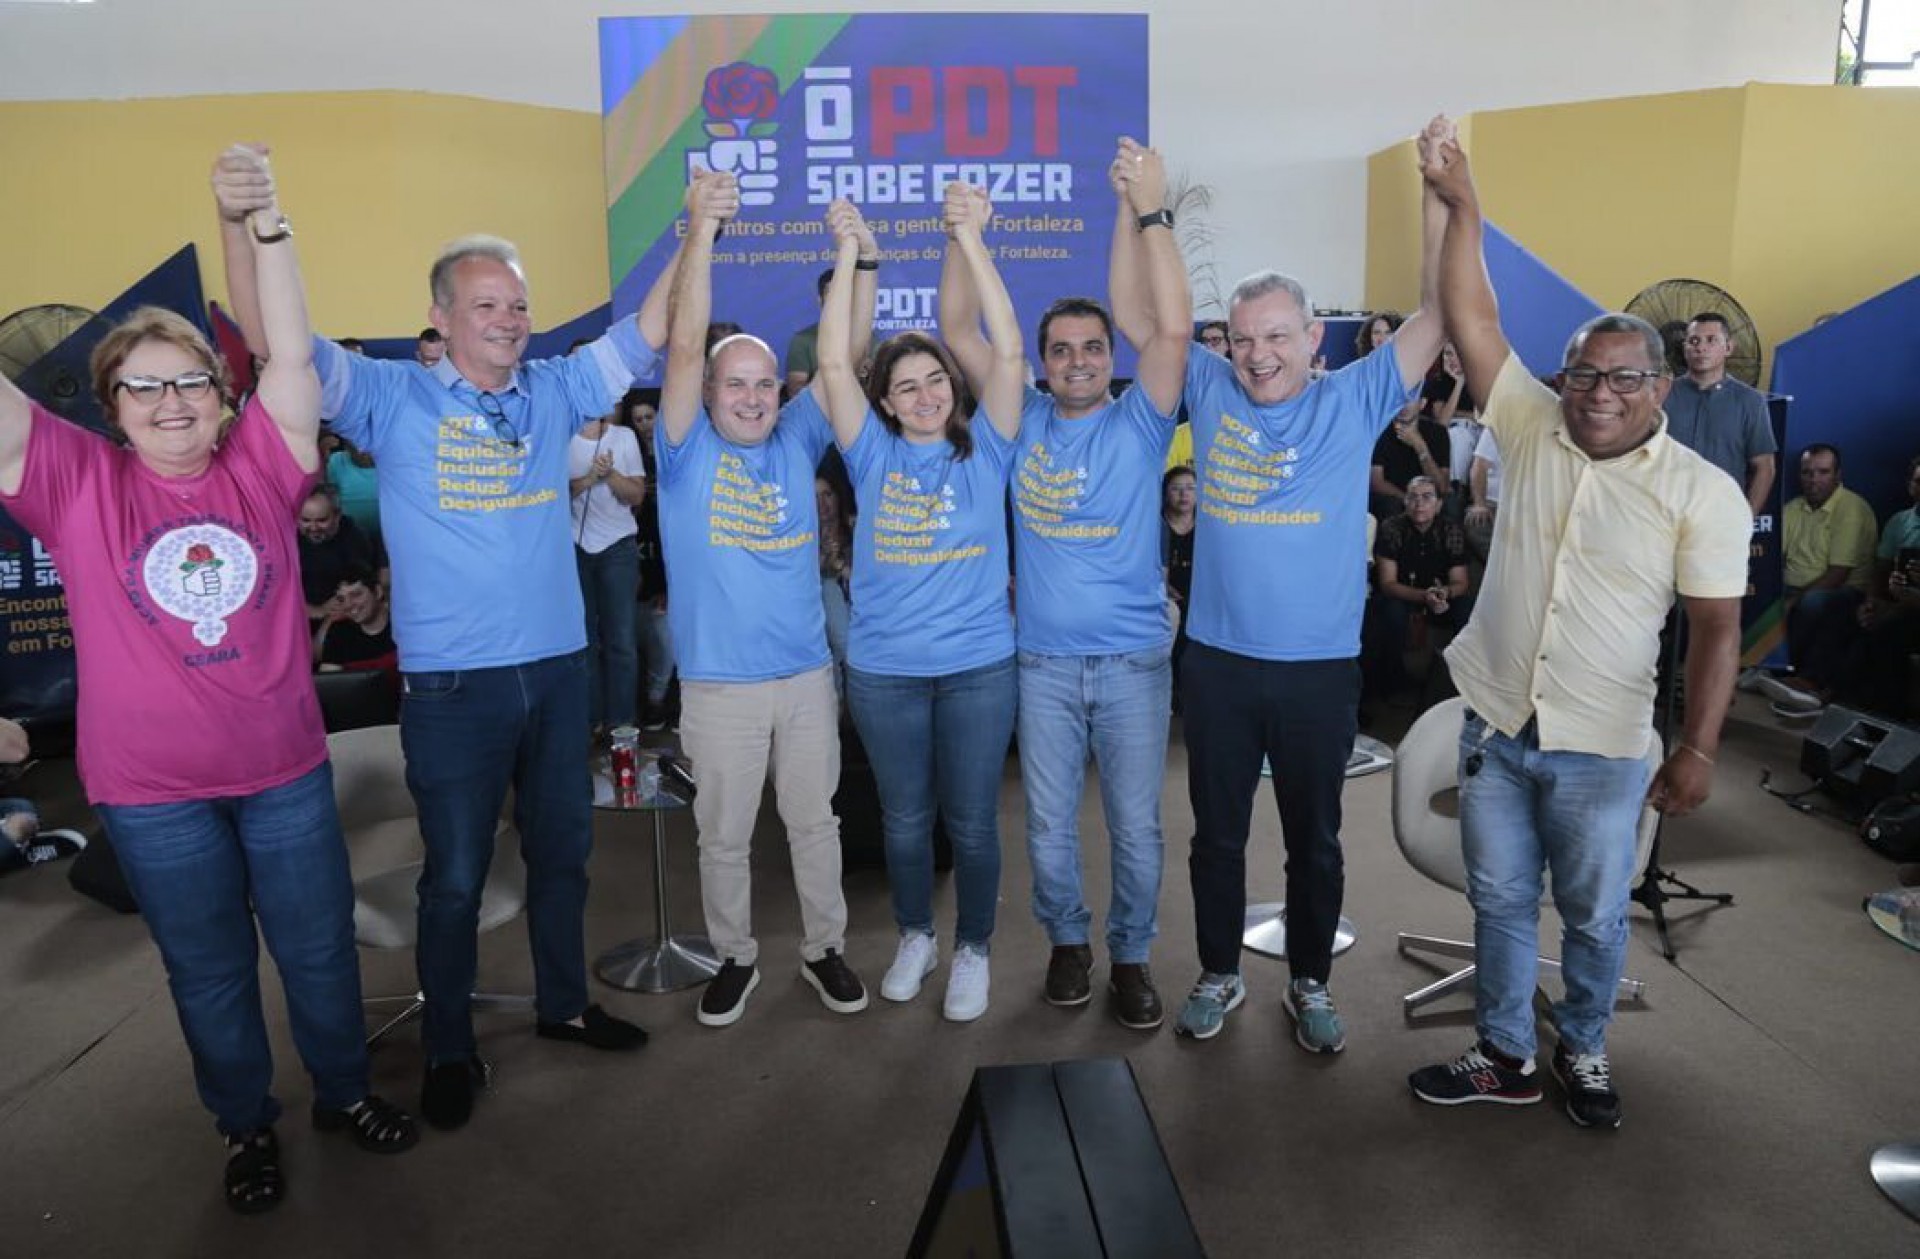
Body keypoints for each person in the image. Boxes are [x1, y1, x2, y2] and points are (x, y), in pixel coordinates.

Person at [0, 145, 417, 1214]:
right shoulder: (72, 479)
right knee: (211, 970)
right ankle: (245, 1124)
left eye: (189, 380)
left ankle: (342, 1089)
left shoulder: (261, 461)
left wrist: (267, 222)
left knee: (320, 950)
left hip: (280, 770)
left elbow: (290, 354)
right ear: (110, 403)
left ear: (219, 396)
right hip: (149, 791)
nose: (171, 400)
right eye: (143, 385)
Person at [215, 148, 658, 1134]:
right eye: (489, 304)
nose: (509, 319)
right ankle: (452, 1047)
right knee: (454, 873)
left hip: (555, 666)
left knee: (565, 855)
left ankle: (565, 1004)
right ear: (444, 316)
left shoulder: (551, 389)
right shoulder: (387, 395)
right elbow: (267, 336)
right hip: (455, 687)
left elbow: (653, 328)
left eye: (518, 303)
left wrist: (702, 226)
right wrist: (241, 222)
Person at [1405, 120, 1750, 1130]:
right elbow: (1472, 310)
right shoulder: (1530, 423)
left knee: (1595, 915)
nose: (1597, 395)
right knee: (1501, 903)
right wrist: (1466, 204)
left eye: (1622, 378)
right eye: (1583, 375)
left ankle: (1584, 1045)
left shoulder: (1703, 492)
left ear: (1660, 387)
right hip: (1497, 726)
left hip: (1603, 747)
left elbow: (1719, 632)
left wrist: (1696, 747)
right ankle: (1509, 1051)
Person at [1172, 121, 1449, 1052]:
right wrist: (1150, 218)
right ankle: (1218, 971)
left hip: (1319, 670)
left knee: (1315, 842)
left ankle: (1310, 983)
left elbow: (1439, 312)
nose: (1257, 354)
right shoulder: (1207, 389)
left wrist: (1435, 193)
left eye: (1277, 335)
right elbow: (1161, 323)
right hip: (1217, 664)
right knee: (1216, 838)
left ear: (1312, 335)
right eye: (1242, 338)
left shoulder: (1355, 396)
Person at [940, 137, 1190, 1029]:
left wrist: (1143, 209)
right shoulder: (1019, 417)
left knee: (1137, 828)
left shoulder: (1141, 418)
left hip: (1130, 664)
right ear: (1041, 360)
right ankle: (1069, 944)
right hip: (1041, 662)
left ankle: (1129, 955)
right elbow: (959, 329)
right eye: (1062, 348)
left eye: (1091, 347)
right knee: (1046, 830)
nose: (1079, 359)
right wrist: (963, 233)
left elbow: (1171, 329)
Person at [656, 175, 878, 1028]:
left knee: (814, 823)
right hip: (719, 686)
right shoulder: (681, 453)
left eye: (760, 384)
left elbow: (845, 354)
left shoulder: (797, 432)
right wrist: (703, 232)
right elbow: (681, 346)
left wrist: (856, 253)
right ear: (708, 395)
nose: (750, 397)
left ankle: (824, 950)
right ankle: (736, 958)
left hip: (803, 677)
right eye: (732, 384)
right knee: (722, 838)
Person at [815, 180, 1023, 1023]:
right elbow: (834, 364)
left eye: (935, 380)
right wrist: (846, 255)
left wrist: (970, 237)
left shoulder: (990, 451)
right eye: (906, 386)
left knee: (971, 822)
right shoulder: (868, 456)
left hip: (978, 668)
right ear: (886, 402)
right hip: (886, 673)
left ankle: (971, 946)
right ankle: (914, 935)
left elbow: (1008, 356)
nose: (926, 394)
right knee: (904, 822)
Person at [569, 402, 648, 734]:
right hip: (574, 549)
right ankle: (590, 721)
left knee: (622, 642)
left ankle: (622, 725)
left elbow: (637, 496)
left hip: (617, 548)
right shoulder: (561, 436)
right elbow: (554, 494)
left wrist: (611, 474)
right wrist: (589, 478)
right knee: (582, 642)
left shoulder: (624, 437)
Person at [1368, 475, 1473, 700]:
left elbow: (1461, 583)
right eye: (1413, 497)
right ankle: (1393, 682)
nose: (1419, 503)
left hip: (1441, 595)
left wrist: (1445, 593)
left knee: (1468, 608)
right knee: (1389, 610)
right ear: (1405, 502)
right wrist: (1424, 596)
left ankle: (1460, 681)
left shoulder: (1450, 530)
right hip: (1405, 594)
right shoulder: (1391, 528)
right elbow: (1388, 584)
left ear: (1439, 504)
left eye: (1427, 497)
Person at [1664, 312, 1776, 515]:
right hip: (1666, 514)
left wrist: (1746, 520)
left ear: (1729, 347)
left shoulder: (1750, 401)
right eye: (1693, 341)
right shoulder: (1661, 395)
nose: (1701, 347)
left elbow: (1764, 467)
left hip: (1722, 517)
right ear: (1684, 348)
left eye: (1711, 340)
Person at [296, 482, 386, 621]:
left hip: (342, 616)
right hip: (297, 613)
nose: (313, 528)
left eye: (322, 520)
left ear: (337, 515)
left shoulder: (355, 539)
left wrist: (332, 608)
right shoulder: (288, 539)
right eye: (306, 520)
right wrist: (313, 610)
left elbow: (357, 590)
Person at [312, 565, 397, 674]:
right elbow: (329, 682)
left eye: (356, 594)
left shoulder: (401, 625)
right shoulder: (339, 631)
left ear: (378, 592)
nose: (348, 605)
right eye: (341, 599)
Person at [1162, 464, 1198, 695]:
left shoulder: (1208, 524)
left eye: (1190, 488)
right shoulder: (1155, 525)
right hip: (1165, 597)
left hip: (1200, 597)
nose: (1184, 495)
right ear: (1165, 492)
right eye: (1176, 488)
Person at [816, 474, 854, 690]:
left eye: (827, 495)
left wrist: (839, 564)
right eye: (815, 497)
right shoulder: (800, 539)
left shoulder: (857, 530)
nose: (822, 504)